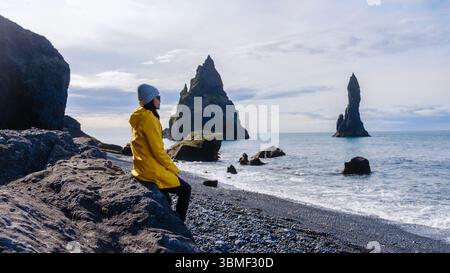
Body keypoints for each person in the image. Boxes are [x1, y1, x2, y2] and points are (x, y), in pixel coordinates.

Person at [129, 84, 191, 222]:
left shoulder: (139, 115)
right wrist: (173, 169)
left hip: (140, 167)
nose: (160, 100)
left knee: (167, 198)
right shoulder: (150, 119)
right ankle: (180, 223)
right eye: (158, 97)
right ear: (151, 99)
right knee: (186, 189)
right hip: (150, 170)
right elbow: (158, 152)